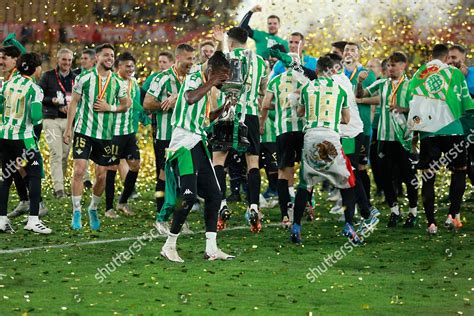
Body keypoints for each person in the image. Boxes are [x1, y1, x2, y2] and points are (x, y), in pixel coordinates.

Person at [160, 51, 234, 262]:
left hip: (198, 142)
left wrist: (224, 108)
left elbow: (206, 117)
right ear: (211, 71)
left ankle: (211, 248)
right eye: (221, 76)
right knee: (189, 195)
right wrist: (212, 82)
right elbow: (191, 98)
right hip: (183, 143)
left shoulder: (205, 85)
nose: (223, 81)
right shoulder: (195, 77)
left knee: (214, 194)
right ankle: (169, 245)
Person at [406, 44, 473, 234]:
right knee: (459, 171)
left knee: (428, 176)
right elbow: (466, 101)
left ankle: (431, 224)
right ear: (446, 58)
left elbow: (413, 102)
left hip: (429, 132)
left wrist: (415, 132)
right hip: (453, 129)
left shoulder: (419, 74)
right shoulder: (454, 73)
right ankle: (452, 216)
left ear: (431, 56)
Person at [63, 43, 131, 231]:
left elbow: (126, 104)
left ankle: (92, 207)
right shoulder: (84, 78)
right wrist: (68, 129)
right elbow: (74, 103)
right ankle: (76, 211)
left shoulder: (118, 82)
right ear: (97, 58)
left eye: (112, 56)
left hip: (106, 135)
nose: (110, 58)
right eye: (106, 55)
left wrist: (110, 108)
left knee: (101, 176)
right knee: (79, 170)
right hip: (83, 131)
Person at [292, 56, 359, 244]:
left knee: (306, 183)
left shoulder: (307, 87)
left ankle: (296, 226)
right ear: (333, 70)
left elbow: (300, 112)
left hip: (311, 136)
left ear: (318, 69)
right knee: (348, 182)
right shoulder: (340, 89)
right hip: (330, 137)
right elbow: (346, 119)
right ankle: (349, 226)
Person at [211, 27, 267, 232]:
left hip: (228, 112)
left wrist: (219, 41)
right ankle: (253, 207)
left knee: (219, 160)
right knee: (252, 163)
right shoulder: (260, 62)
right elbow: (263, 89)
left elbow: (216, 80)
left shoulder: (227, 56)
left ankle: (222, 206)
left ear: (231, 42)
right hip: (251, 115)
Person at [358, 52, 418, 228]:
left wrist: (402, 108)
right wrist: (360, 82)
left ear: (403, 65)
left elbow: (418, 111)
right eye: (388, 65)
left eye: (394, 65)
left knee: (409, 177)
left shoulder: (410, 85)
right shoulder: (382, 83)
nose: (390, 68)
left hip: (404, 139)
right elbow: (361, 94)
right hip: (384, 138)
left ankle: (413, 212)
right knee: (385, 177)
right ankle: (394, 211)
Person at [143, 44, 195, 234]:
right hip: (166, 136)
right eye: (188, 59)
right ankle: (161, 218)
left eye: (193, 59)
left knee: (185, 178)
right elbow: (147, 102)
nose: (191, 62)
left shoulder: (191, 79)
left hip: (186, 136)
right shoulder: (162, 77)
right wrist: (169, 105)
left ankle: (178, 220)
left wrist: (179, 99)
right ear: (178, 58)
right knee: (165, 177)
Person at [0, 52, 52, 234]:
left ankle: (1, 220)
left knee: (6, 176)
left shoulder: (7, 84)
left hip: (4, 136)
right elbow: (37, 116)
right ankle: (33, 220)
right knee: (35, 173)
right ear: (36, 68)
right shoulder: (35, 89)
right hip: (25, 138)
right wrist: (33, 119)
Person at [260, 54, 307, 227]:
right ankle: (307, 205)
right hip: (303, 130)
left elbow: (265, 104)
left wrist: (277, 108)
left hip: (283, 132)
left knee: (283, 172)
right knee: (306, 171)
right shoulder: (305, 80)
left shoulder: (275, 80)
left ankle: (285, 215)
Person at [104, 52, 148, 218]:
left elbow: (134, 103)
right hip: (113, 132)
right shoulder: (110, 82)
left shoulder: (134, 82)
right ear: (118, 67)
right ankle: (109, 207)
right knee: (112, 168)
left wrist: (143, 116)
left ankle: (122, 202)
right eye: (126, 66)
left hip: (129, 133)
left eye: (132, 66)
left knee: (135, 165)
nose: (130, 69)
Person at [39, 48, 76, 198]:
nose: (66, 63)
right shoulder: (47, 76)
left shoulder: (76, 78)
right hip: (51, 119)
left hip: (69, 121)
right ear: (58, 60)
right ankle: (59, 188)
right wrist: (52, 101)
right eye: (64, 59)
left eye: (69, 60)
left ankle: (60, 185)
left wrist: (73, 107)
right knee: (56, 152)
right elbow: (39, 95)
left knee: (65, 154)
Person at [343, 42, 374, 215]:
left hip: (361, 128)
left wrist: (360, 100)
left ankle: (365, 204)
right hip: (344, 128)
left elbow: (378, 98)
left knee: (360, 167)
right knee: (348, 166)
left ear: (359, 55)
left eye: (353, 50)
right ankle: (351, 205)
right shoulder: (339, 74)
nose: (348, 53)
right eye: (346, 50)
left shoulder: (366, 74)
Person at [73, 48, 97, 189]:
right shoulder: (77, 76)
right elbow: (75, 101)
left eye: (85, 58)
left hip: (99, 124)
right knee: (81, 158)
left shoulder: (103, 77)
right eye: (81, 58)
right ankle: (86, 179)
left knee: (99, 160)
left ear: (94, 60)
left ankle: (94, 180)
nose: (82, 61)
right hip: (81, 122)